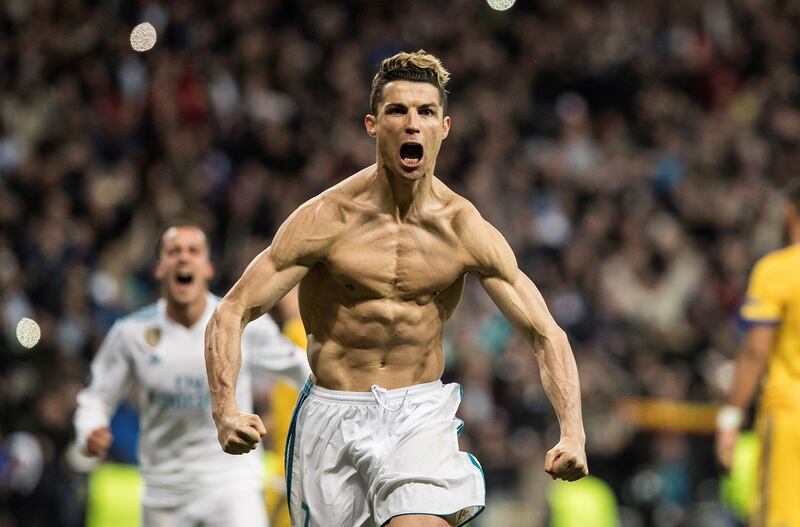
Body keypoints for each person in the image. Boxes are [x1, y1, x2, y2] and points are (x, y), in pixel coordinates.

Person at [205, 50, 588, 527]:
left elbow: (545, 333)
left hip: (419, 414)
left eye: (426, 112)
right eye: (397, 111)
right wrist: (225, 411)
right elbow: (231, 311)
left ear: (444, 128)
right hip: (333, 416)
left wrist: (572, 433)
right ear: (372, 124)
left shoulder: (463, 230)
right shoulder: (326, 219)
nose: (412, 124)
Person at [74, 222, 311, 527]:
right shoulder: (130, 334)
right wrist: (90, 428)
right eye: (174, 252)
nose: (183, 258)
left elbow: (301, 368)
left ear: (208, 268)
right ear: (160, 268)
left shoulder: (243, 326)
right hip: (165, 493)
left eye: (193, 251)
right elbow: (95, 398)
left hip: (232, 486)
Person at [716, 179, 800, 526]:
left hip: (790, 416)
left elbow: (755, 351)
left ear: (789, 211)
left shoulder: (777, 270)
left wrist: (731, 417)